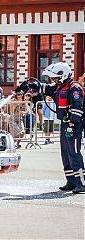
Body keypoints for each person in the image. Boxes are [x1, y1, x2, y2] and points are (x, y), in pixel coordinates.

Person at [42, 62, 85, 193]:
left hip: (74, 125)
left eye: (55, 77)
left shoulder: (74, 88)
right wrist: (30, 86)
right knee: (65, 154)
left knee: (74, 153)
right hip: (65, 124)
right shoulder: (60, 87)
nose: (54, 80)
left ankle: (81, 183)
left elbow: (78, 107)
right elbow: (45, 89)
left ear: (63, 75)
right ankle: (71, 181)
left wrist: (72, 121)